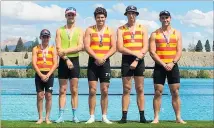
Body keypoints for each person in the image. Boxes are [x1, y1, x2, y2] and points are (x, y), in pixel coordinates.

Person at [149, 10, 186, 124]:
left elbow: (179, 51)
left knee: (175, 92)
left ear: (170, 18)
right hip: (160, 66)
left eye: (167, 17)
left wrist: (172, 63)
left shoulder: (177, 33)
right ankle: (156, 118)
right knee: (158, 92)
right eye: (163, 18)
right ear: (160, 19)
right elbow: (152, 52)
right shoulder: (154, 34)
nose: (165, 20)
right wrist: (163, 64)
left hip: (173, 65)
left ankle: (178, 117)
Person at [84, 7, 116, 124]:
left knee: (105, 90)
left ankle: (104, 116)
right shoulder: (89, 30)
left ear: (105, 18)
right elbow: (87, 46)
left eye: (102, 17)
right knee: (92, 90)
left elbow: (114, 47)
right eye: (98, 17)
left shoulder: (110, 30)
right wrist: (97, 57)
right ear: (95, 18)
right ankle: (92, 116)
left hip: (105, 62)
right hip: (93, 62)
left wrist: (104, 57)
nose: (100, 19)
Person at [117, 5, 148, 123]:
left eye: (133, 13)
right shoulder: (121, 29)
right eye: (129, 13)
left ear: (136, 15)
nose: (131, 15)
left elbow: (146, 47)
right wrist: (134, 53)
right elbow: (120, 47)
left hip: (139, 60)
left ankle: (142, 117)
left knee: (140, 88)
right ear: (126, 15)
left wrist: (136, 59)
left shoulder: (143, 28)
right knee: (126, 88)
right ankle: (124, 117)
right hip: (126, 60)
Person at [55, 7, 84, 123]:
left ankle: (74, 116)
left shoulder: (79, 30)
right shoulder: (59, 30)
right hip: (63, 61)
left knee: (74, 89)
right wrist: (66, 58)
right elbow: (58, 48)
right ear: (65, 16)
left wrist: (66, 51)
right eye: (68, 15)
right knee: (62, 89)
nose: (70, 17)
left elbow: (80, 46)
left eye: (72, 15)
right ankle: (61, 116)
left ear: (75, 16)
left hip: (75, 61)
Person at [32, 29, 58, 124]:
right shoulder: (36, 48)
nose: (45, 38)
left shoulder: (53, 48)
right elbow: (34, 63)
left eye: (47, 37)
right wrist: (41, 75)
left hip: (49, 74)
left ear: (49, 38)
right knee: (40, 96)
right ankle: (40, 118)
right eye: (43, 36)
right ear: (40, 37)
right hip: (39, 75)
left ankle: (47, 118)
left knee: (49, 96)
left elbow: (55, 64)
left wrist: (47, 75)